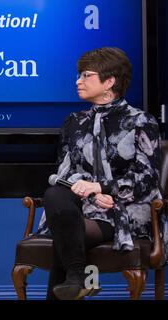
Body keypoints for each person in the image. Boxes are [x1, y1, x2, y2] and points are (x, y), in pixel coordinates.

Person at [35, 47, 165, 300]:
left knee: (65, 231)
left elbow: (147, 178)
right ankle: (77, 275)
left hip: (124, 211)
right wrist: (90, 194)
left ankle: (76, 276)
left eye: (86, 75)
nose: (78, 81)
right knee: (55, 194)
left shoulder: (141, 121)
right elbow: (63, 173)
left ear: (109, 82)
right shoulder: (73, 122)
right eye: (79, 75)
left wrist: (103, 188)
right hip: (81, 208)